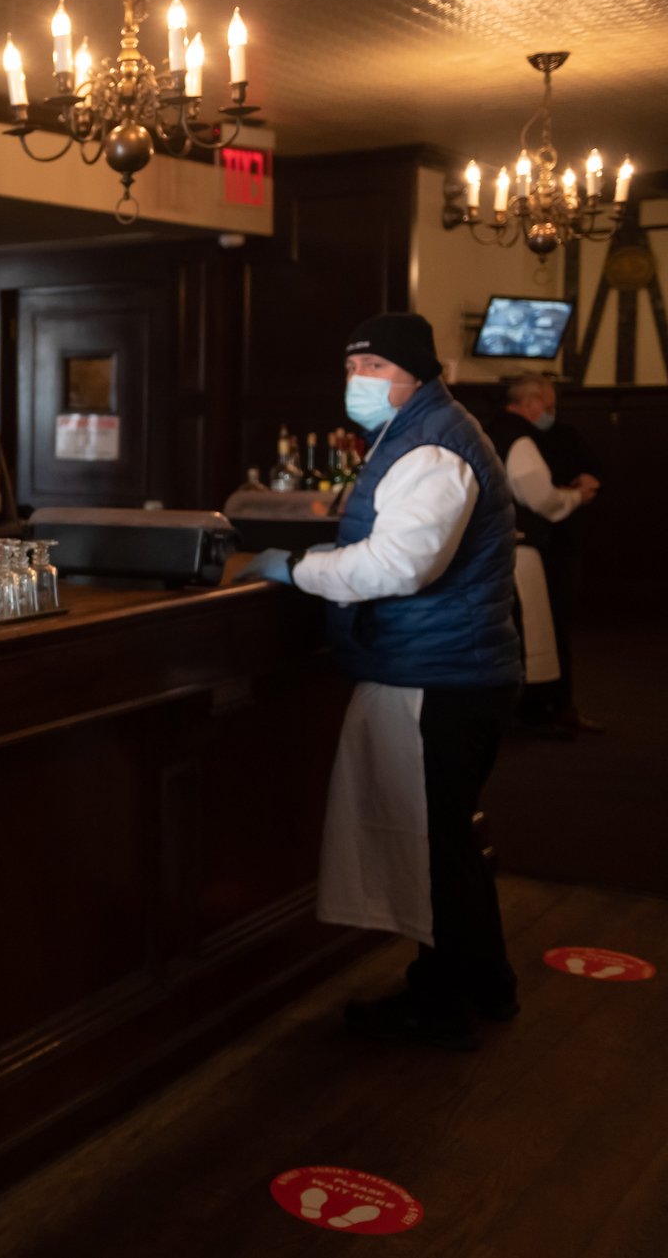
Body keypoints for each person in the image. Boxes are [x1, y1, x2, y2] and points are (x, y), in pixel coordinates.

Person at [239, 313, 520, 1051]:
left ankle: (443, 1004)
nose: (357, 383)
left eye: (373, 369)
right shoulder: (422, 430)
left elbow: (399, 565)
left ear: (415, 375)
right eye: (352, 368)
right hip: (448, 666)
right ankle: (487, 986)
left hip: (441, 675)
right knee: (447, 842)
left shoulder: (434, 446)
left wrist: (298, 569)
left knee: (436, 848)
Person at [492, 373, 602, 733]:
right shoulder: (520, 439)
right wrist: (574, 496)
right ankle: (547, 708)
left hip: (498, 545)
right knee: (544, 628)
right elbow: (542, 499)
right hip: (532, 545)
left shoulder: (488, 431)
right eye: (550, 406)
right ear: (531, 404)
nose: (552, 413)